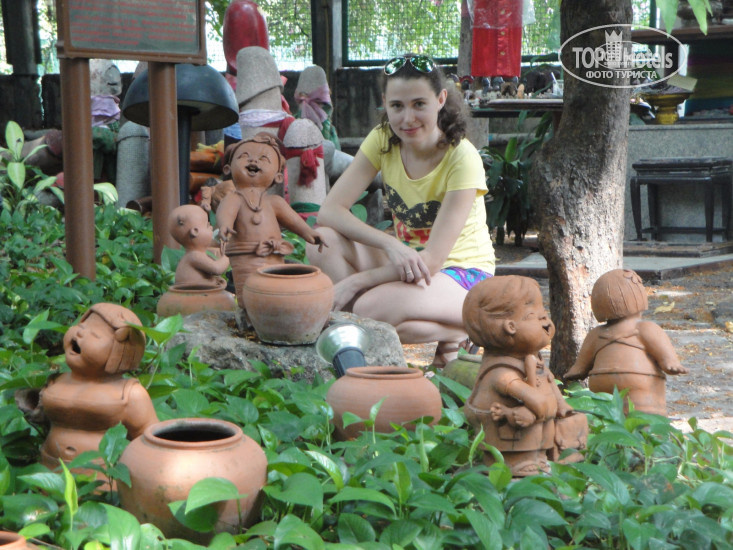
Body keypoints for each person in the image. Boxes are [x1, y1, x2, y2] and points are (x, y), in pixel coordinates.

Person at [306, 53, 495, 367]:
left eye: (419, 104)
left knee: (369, 308)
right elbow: (330, 212)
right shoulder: (383, 140)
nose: (407, 119)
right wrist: (389, 244)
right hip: (407, 261)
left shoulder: (462, 158)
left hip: (462, 274)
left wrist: (357, 281)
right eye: (397, 106)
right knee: (322, 244)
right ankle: (381, 337)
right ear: (385, 103)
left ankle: (474, 326)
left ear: (440, 100)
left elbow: (432, 261)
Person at [462, 276, 587, 476]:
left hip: (535, 436)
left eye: (544, 312)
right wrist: (538, 408)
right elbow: (537, 401)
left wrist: (561, 405)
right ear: (510, 327)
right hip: (508, 440)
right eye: (532, 315)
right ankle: (517, 465)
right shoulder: (501, 372)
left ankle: (542, 457)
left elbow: (549, 385)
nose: (545, 320)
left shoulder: (534, 361)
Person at [39, 303, 158, 471]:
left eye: (95, 335)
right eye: (81, 326)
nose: (80, 333)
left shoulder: (130, 394)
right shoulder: (58, 380)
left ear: (120, 353)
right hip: (50, 467)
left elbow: (149, 437)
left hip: (102, 475)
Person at [216, 133, 327, 307]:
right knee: (249, 292)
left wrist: (310, 233)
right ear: (228, 169)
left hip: (274, 254)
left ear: (278, 176)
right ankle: (248, 314)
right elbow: (226, 212)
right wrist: (225, 226)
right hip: (245, 255)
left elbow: (295, 222)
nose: (253, 160)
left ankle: (275, 312)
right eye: (244, 156)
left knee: (274, 288)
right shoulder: (234, 198)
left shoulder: (275, 202)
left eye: (263, 159)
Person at [564, 269, 687, 416]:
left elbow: (581, 365)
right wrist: (670, 363)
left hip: (600, 381)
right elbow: (664, 353)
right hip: (637, 381)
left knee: (606, 417)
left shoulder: (596, 334)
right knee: (642, 416)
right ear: (639, 296)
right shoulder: (645, 328)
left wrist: (577, 371)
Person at [168, 204, 230, 289]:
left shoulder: (194, 255)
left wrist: (214, 281)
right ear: (195, 232)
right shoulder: (194, 256)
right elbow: (217, 269)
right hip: (193, 296)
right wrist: (227, 255)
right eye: (207, 226)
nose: (211, 227)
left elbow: (203, 278)